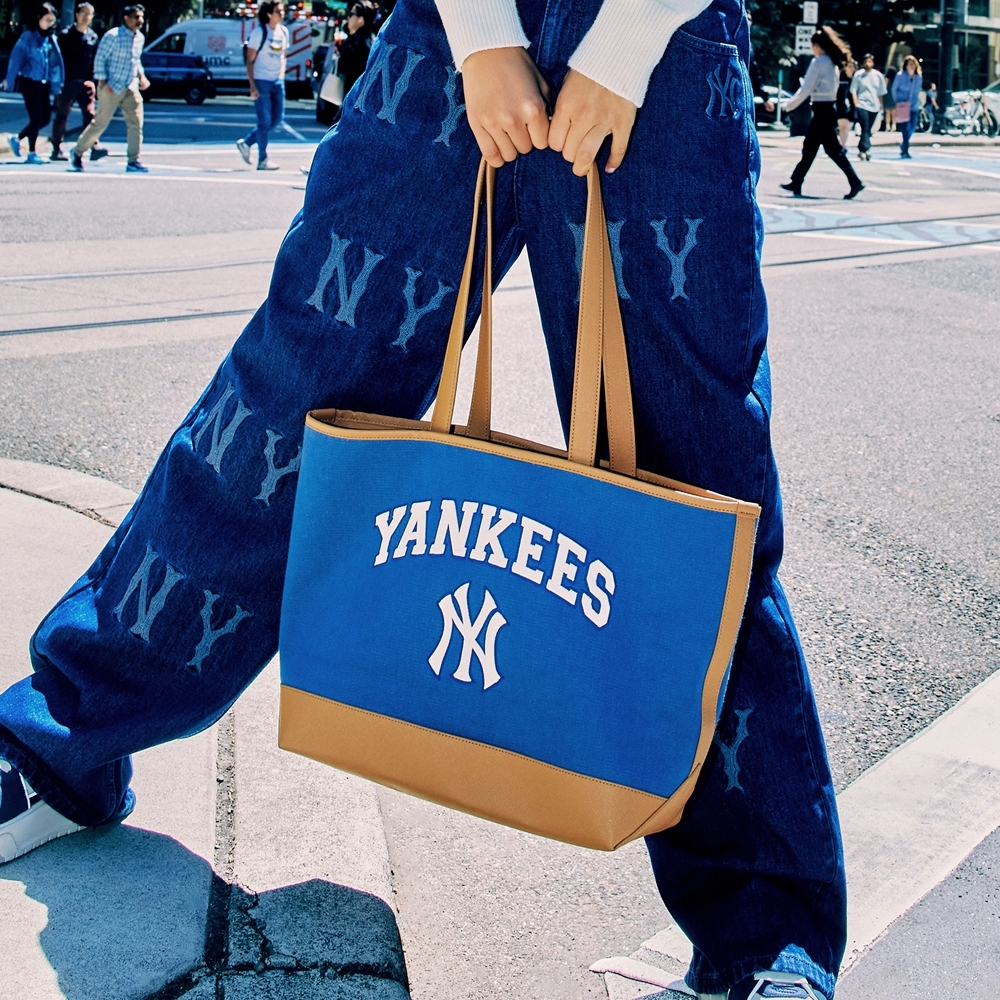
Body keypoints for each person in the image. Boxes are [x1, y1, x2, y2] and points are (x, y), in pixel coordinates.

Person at [0, 1, 848, 998]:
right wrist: (483, 32)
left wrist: (625, 36)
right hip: (450, 40)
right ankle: (60, 738)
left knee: (696, 480)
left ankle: (761, 937)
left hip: (660, 44)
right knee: (285, 407)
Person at [780, 26, 864, 199]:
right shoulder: (832, 62)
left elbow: (806, 89)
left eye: (813, 46)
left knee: (833, 150)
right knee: (809, 148)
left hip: (821, 111)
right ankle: (796, 181)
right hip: (826, 109)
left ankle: (855, 181)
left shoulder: (819, 62)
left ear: (817, 46)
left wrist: (788, 106)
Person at [70, 3, 150, 173]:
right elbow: (100, 59)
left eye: (141, 17)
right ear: (126, 19)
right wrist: (103, 81)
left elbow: (136, 60)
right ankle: (77, 151)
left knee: (136, 124)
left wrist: (141, 77)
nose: (140, 20)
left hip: (130, 86)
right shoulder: (113, 36)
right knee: (100, 123)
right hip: (112, 86)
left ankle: (133, 161)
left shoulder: (140, 38)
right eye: (136, 17)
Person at [0, 2, 64, 165]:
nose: (50, 23)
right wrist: (9, 79)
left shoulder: (51, 38)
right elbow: (16, 59)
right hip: (28, 80)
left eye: (52, 20)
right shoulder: (28, 37)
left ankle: (17, 138)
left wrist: (57, 85)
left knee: (45, 118)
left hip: (43, 82)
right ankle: (32, 152)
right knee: (36, 116)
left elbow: (55, 63)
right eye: (47, 19)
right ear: (38, 18)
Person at [236, 0, 289, 171]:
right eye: (278, 11)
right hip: (261, 80)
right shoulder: (259, 32)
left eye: (282, 11)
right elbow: (250, 60)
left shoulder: (284, 32)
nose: (282, 14)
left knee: (277, 119)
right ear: (269, 14)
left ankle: (247, 143)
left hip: (277, 80)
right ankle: (263, 159)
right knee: (264, 120)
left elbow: (283, 55)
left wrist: (281, 75)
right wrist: (252, 85)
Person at [51, 2, 105, 163]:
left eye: (89, 14)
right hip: (67, 82)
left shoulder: (93, 37)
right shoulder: (65, 35)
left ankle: (93, 145)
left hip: (86, 82)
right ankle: (56, 148)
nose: (86, 17)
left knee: (90, 115)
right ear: (76, 14)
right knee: (62, 115)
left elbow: (96, 60)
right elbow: (57, 60)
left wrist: (95, 81)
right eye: (83, 13)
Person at [849, 53, 885, 160]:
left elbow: (881, 92)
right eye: (865, 61)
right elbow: (853, 90)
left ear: (873, 63)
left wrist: (880, 104)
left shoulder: (878, 76)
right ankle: (866, 149)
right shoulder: (858, 75)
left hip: (874, 105)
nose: (867, 64)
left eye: (869, 61)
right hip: (862, 104)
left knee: (868, 129)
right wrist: (856, 104)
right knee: (864, 127)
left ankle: (861, 148)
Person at [337, 2, 376, 95]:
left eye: (351, 14)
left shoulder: (357, 43)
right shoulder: (368, 41)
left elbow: (343, 67)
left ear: (361, 20)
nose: (348, 18)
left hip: (354, 94)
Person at [892, 55, 922, 158]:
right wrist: (897, 101)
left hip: (914, 105)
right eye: (909, 64)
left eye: (913, 64)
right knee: (905, 128)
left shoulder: (918, 77)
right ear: (906, 65)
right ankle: (905, 149)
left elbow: (918, 90)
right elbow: (894, 89)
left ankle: (904, 144)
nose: (911, 66)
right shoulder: (900, 76)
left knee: (912, 127)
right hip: (903, 104)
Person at [835, 56, 855, 147]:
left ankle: (842, 144)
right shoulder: (840, 77)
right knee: (842, 126)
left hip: (852, 106)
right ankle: (842, 145)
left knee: (847, 127)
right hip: (840, 105)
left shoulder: (856, 78)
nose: (851, 68)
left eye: (852, 66)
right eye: (849, 66)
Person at [882, 66, 896, 131]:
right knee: (894, 112)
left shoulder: (886, 79)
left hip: (887, 96)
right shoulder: (896, 79)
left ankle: (887, 126)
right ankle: (894, 126)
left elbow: (884, 87)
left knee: (887, 112)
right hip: (894, 96)